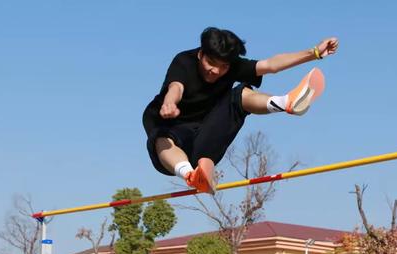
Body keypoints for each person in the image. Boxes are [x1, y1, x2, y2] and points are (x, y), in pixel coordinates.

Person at [143, 27, 337, 193]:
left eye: (223, 66)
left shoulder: (231, 66)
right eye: (211, 63)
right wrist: (170, 102)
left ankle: (285, 102)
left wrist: (315, 52)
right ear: (201, 54)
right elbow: (176, 86)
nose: (216, 71)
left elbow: (270, 65)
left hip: (206, 134)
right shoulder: (185, 61)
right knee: (163, 138)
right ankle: (191, 176)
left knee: (239, 95)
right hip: (173, 141)